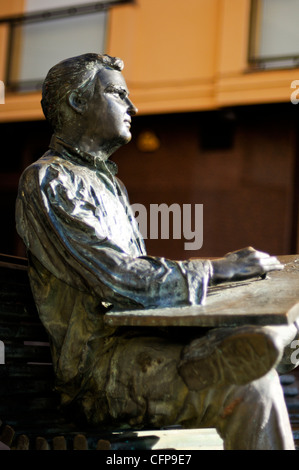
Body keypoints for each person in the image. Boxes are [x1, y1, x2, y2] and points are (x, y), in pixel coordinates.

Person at [15, 53, 298, 449]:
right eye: (118, 94)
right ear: (77, 102)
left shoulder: (108, 184)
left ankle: (255, 336)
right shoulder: (49, 180)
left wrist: (224, 276)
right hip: (101, 371)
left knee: (267, 316)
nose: (133, 107)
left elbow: (138, 274)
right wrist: (219, 269)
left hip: (142, 343)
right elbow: (118, 277)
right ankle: (255, 339)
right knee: (250, 386)